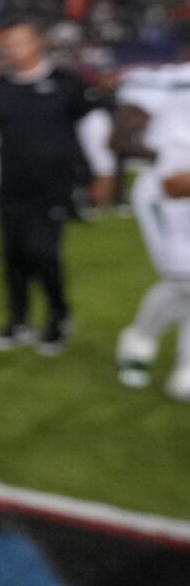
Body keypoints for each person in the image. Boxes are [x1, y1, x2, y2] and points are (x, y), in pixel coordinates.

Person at [0, 22, 112, 355]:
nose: (14, 48)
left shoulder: (67, 83)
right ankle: (17, 320)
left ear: (39, 44)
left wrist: (104, 172)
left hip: (53, 185)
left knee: (43, 252)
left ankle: (57, 315)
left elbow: (95, 128)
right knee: (14, 257)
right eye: (9, 43)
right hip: (11, 185)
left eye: (21, 41)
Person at [113, 57, 190, 399]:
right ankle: (139, 341)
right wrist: (162, 152)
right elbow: (120, 138)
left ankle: (184, 366)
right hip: (168, 195)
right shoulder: (169, 81)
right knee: (183, 277)